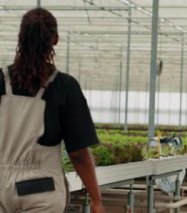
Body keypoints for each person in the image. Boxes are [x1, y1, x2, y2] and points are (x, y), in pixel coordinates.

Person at [0, 8, 105, 213]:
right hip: (41, 189)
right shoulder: (64, 86)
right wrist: (96, 200)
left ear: (20, 38)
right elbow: (78, 153)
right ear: (55, 40)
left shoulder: (0, 80)